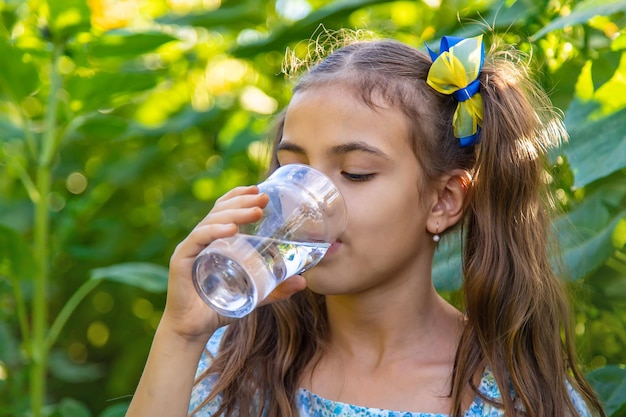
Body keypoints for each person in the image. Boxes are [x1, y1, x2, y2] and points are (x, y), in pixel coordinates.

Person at [126, 32, 606, 417]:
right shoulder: (231, 363)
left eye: (355, 173)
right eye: (292, 168)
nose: (305, 204)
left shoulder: (515, 399)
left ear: (443, 200)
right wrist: (180, 333)